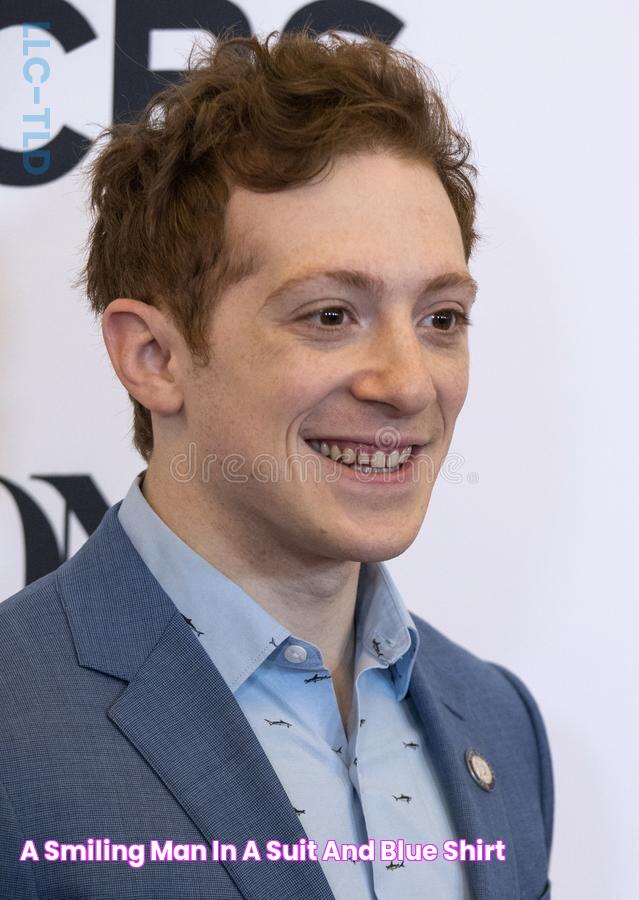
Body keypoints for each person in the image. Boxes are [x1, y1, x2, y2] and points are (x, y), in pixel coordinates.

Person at [0, 28, 553, 900]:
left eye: (441, 318)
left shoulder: (497, 722)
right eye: (331, 315)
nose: (409, 384)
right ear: (153, 355)